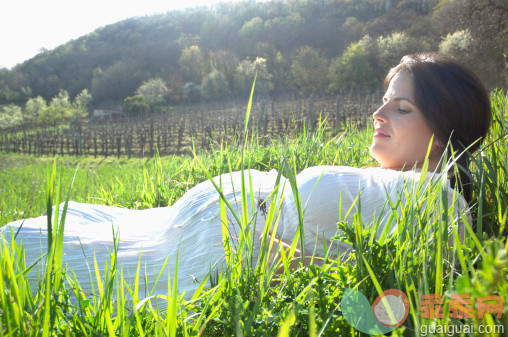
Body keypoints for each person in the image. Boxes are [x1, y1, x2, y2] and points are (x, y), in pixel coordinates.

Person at [1, 53, 491, 299]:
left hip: (190, 258)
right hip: (167, 230)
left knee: (22, 249)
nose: (378, 114)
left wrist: (280, 261)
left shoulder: (437, 205)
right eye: (384, 99)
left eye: (400, 107)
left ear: (446, 129)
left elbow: (396, 295)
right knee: (52, 225)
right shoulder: (406, 186)